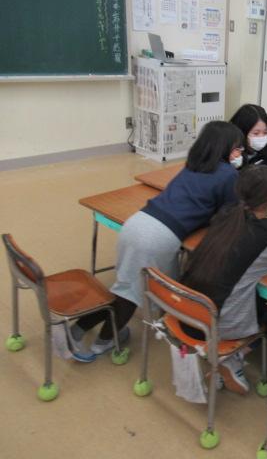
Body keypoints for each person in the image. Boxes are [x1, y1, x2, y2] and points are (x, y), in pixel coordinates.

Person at [68, 121, 245, 362]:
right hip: (158, 237)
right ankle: (104, 341)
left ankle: (79, 330)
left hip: (137, 223)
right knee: (131, 294)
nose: (238, 154)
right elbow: (229, 214)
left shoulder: (193, 165)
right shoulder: (228, 174)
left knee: (125, 285)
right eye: (237, 149)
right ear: (224, 148)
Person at [180, 165, 267, 394]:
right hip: (215, 323)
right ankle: (234, 356)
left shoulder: (226, 214)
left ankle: (230, 358)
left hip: (185, 311)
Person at [229, 104, 267, 170]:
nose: (261, 137)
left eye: (265, 132)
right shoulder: (230, 148)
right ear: (242, 131)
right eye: (256, 133)